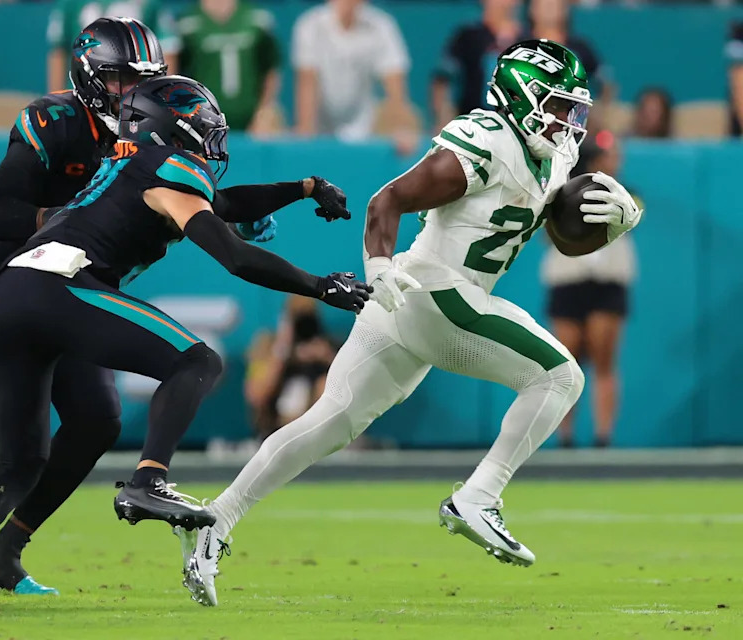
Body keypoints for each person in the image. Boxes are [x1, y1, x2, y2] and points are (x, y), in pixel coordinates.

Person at [0, 19, 355, 600]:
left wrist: (296, 188)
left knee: (94, 419)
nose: (131, 89)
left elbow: (211, 201)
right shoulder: (60, 125)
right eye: (122, 77)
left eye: (142, 80)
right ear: (92, 77)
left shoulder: (143, 147)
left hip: (53, 284)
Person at [177, 40, 643, 607]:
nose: (568, 120)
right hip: (433, 290)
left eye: (574, 108)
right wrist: (377, 264)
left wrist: (613, 223)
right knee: (560, 376)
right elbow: (387, 199)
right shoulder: (488, 139)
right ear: (521, 96)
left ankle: (213, 520)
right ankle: (479, 496)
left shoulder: (555, 155)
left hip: (422, 302)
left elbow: (559, 236)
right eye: (558, 104)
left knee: (327, 423)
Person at [542, 131, 637, 448]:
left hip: (607, 280)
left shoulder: (625, 193)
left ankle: (602, 436)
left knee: (604, 358)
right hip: (569, 279)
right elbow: (549, 235)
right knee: (566, 362)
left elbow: (635, 213)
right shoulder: (562, 192)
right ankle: (565, 437)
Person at [292, 0, 413, 145]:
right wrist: (306, 132)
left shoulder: (382, 25)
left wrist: (401, 128)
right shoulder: (309, 24)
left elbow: (395, 85)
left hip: (369, 125)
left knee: (408, 124)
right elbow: (307, 82)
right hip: (319, 126)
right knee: (268, 119)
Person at [177, 0, 280, 133]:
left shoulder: (258, 20)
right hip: (201, 122)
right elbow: (176, 75)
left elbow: (270, 69)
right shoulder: (185, 23)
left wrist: (264, 111)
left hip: (251, 122)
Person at [244, 295, 337, 438]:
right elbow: (255, 396)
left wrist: (328, 359)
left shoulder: (327, 349)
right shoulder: (267, 346)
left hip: (314, 435)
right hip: (271, 433)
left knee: (324, 384)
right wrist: (282, 352)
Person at [47, 0, 179, 92]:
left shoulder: (149, 4)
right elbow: (58, 53)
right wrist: (57, 98)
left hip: (132, 90)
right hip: (82, 90)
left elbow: (168, 51)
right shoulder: (71, 4)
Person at [431, 0, 521, 131]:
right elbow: (442, 80)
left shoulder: (527, 39)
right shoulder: (467, 36)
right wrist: (443, 119)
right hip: (471, 127)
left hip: (518, 129)